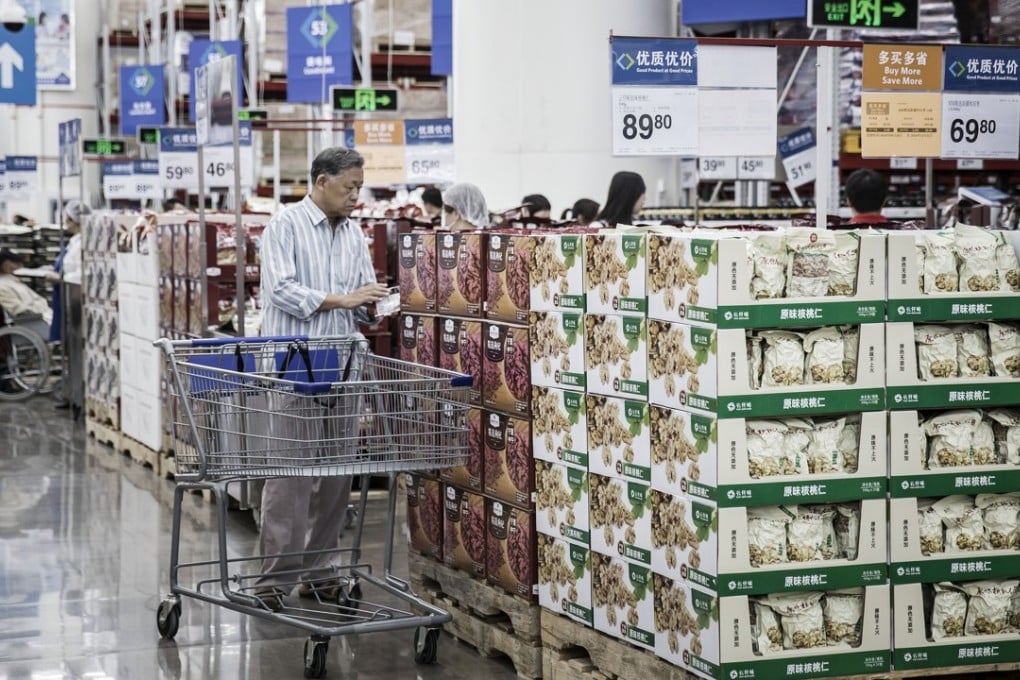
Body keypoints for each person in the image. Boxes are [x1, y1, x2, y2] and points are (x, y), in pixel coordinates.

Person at [255, 147, 390, 611]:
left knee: (337, 474)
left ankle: (321, 571)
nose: (356, 195)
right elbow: (281, 290)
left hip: (344, 366)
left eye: (359, 187)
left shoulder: (354, 234)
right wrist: (344, 299)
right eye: (348, 187)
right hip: (297, 366)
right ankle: (274, 579)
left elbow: (362, 293)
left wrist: (375, 303)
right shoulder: (284, 226)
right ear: (320, 181)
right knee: (290, 475)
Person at [48, 200, 90, 343]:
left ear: (74, 221)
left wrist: (61, 278)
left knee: (75, 336)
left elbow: (82, 274)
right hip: (66, 294)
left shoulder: (83, 244)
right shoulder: (74, 242)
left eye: (67, 219)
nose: (65, 222)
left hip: (75, 296)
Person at [0, 250, 52, 333]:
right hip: (34, 321)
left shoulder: (12, 280)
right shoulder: (2, 286)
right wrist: (39, 307)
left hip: (43, 315)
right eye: (17, 263)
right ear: (7, 265)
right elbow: (18, 310)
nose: (21, 266)